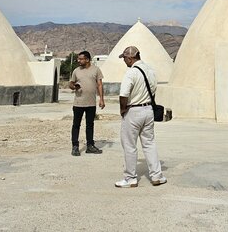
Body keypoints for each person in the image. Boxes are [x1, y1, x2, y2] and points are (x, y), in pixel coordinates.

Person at [115, 46, 166, 188]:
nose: (124, 61)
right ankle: (157, 176)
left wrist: (122, 110)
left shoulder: (131, 73)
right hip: (148, 109)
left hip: (133, 111)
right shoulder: (150, 70)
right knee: (149, 143)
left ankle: (130, 177)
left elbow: (123, 94)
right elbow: (154, 90)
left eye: (124, 58)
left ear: (130, 58)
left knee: (129, 145)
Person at [69, 51, 105, 155]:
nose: (78, 61)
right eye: (78, 59)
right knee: (76, 125)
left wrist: (101, 99)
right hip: (78, 103)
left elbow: (99, 85)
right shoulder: (76, 71)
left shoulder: (96, 70)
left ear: (87, 59)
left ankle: (90, 146)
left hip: (91, 103)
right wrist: (73, 86)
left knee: (90, 125)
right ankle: (75, 146)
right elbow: (71, 83)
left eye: (81, 59)